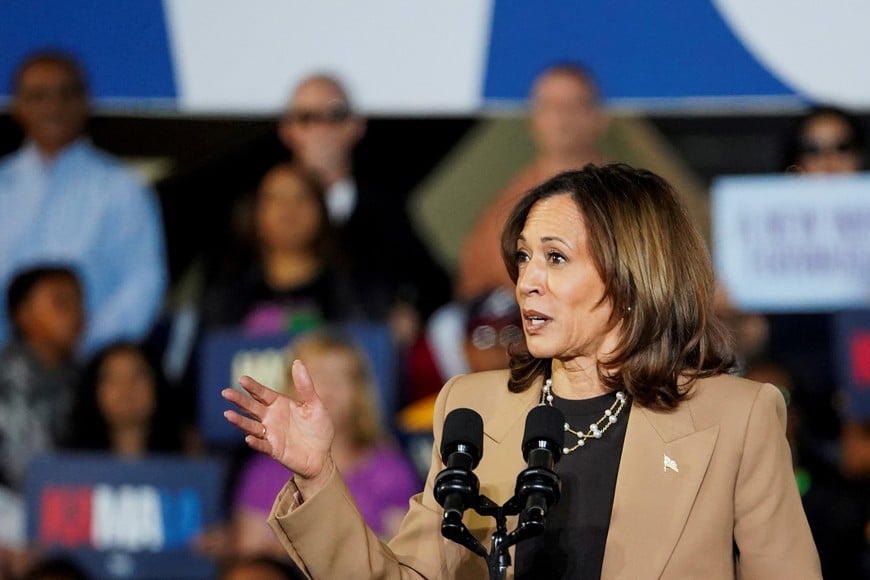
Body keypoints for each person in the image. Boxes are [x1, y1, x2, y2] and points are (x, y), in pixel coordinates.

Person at [222, 163, 821, 578]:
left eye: (556, 258)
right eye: (525, 257)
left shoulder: (738, 416)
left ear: (633, 276)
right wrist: (317, 476)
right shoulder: (473, 408)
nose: (526, 281)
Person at [0, 50, 167, 356]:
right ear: (18, 106)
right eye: (39, 96)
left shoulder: (123, 188)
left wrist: (77, 344)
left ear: (85, 101)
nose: (54, 107)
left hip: (92, 370)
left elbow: (142, 287)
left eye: (66, 94)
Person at [278, 73, 452, 344]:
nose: (321, 128)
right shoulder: (261, 211)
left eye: (334, 114)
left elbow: (434, 284)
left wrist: (411, 313)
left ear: (356, 125)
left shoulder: (386, 210)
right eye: (307, 118)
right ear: (287, 130)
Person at [229, 328, 421, 560]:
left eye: (341, 376)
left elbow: (404, 558)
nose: (329, 387)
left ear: (360, 392)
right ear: (290, 386)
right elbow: (252, 559)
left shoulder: (390, 469)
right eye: (315, 375)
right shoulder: (264, 472)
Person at [456, 63, 608, 300]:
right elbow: (476, 288)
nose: (561, 118)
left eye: (573, 105)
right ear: (533, 119)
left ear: (599, 117)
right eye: (549, 106)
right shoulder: (507, 204)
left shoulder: (626, 197)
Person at [199, 163, 365, 335]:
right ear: (255, 213)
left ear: (321, 212)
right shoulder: (225, 299)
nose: (288, 210)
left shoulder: (354, 295)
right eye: (275, 199)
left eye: (301, 198)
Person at [0, 265, 83, 492]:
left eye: (79, 303)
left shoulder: (90, 379)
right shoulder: (6, 378)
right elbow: (23, 470)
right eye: (61, 303)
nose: (77, 314)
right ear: (23, 313)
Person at [64, 341, 186, 457]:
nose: (126, 389)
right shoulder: (69, 464)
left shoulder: (190, 457)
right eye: (113, 379)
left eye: (137, 377)